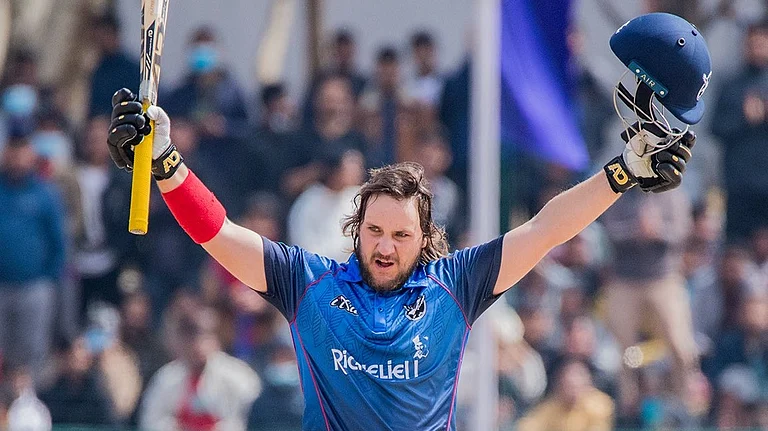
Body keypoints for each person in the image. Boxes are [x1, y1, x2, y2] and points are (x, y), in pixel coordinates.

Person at [105, 12, 708, 430]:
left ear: (426, 240)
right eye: (375, 231)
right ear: (355, 231)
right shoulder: (308, 284)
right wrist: (166, 163)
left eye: (400, 234)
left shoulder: (457, 285)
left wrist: (623, 172)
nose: (386, 246)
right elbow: (218, 233)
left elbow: (546, 229)